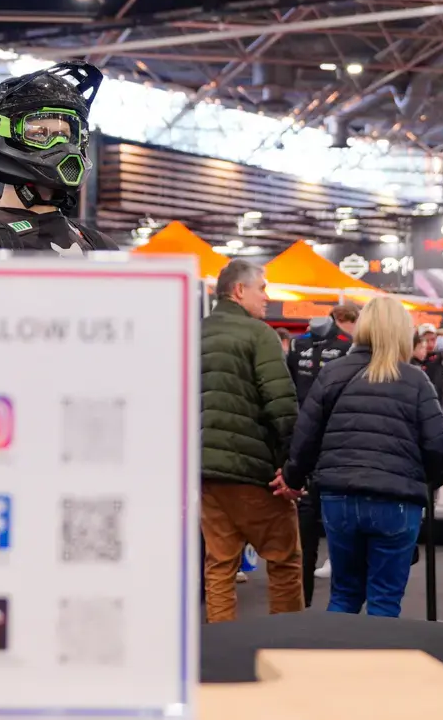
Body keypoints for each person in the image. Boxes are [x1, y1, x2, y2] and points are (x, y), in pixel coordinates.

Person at [280, 295, 443, 618]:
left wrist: (293, 478)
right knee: (385, 600)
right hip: (396, 500)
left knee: (343, 595)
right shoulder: (416, 381)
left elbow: (305, 437)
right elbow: (437, 447)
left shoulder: (332, 373)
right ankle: (378, 654)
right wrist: (420, 479)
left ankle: (336, 653)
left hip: (339, 496)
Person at [199, 259, 302, 622]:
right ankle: (286, 643)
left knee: (219, 564)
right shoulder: (260, 335)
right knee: (284, 561)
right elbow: (281, 404)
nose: (267, 297)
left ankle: (221, 644)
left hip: (205, 473)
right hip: (255, 473)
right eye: (263, 289)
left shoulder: (193, 333)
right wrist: (292, 467)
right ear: (239, 290)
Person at [0, 61, 117, 251]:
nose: (62, 146)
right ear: (5, 135)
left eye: (65, 135)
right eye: (40, 134)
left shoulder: (100, 244)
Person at [287, 301, 357, 600]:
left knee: (340, 526)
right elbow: (288, 390)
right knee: (305, 531)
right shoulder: (297, 344)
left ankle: (342, 600)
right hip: (305, 446)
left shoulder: (347, 345)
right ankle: (303, 600)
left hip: (336, 447)